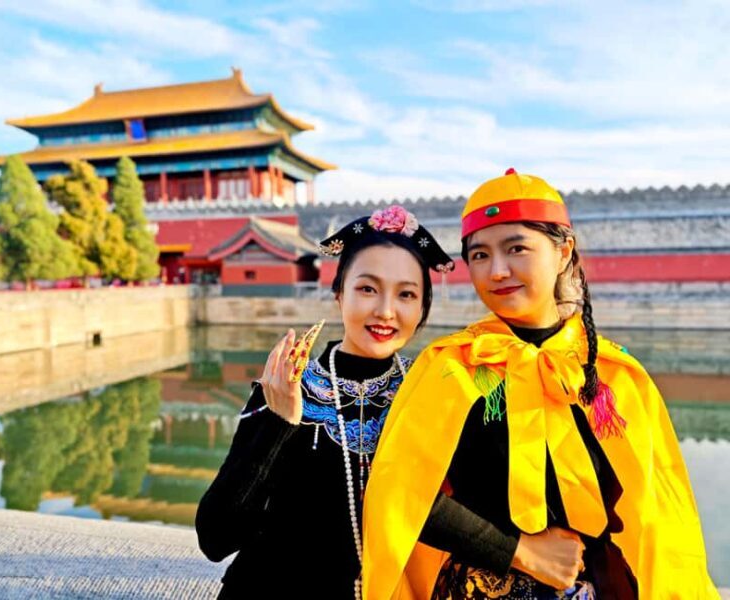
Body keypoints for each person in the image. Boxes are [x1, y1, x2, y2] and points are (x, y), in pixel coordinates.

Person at [362, 170, 719, 600]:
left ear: (564, 251)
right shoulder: (452, 368)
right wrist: (520, 551)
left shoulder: (612, 374)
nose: (497, 271)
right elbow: (401, 497)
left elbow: (661, 517)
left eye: (517, 248)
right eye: (479, 256)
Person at [196, 205, 461, 599]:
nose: (385, 311)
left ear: (423, 309)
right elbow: (216, 538)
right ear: (339, 295)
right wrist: (281, 424)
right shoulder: (289, 385)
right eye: (367, 288)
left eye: (406, 294)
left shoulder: (432, 392)